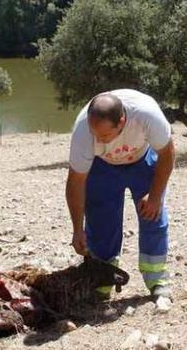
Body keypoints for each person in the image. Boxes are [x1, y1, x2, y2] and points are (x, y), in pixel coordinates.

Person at [65, 89, 175, 302]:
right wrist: (77, 229)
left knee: (153, 215)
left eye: (105, 136)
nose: (99, 140)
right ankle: (103, 280)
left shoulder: (146, 115)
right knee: (101, 222)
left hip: (142, 160)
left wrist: (154, 196)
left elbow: (167, 152)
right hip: (103, 166)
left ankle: (157, 280)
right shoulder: (83, 131)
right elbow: (76, 182)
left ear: (122, 121)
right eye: (95, 133)